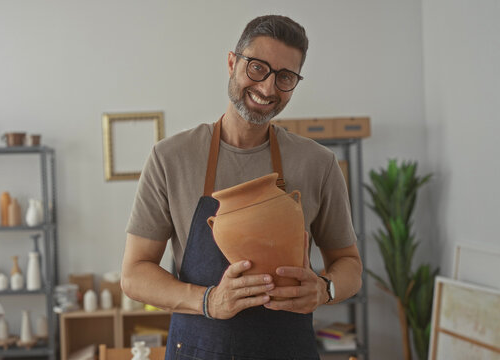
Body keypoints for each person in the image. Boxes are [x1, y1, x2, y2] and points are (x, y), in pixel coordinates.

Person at [121, 15, 363, 360]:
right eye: (257, 68)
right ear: (232, 62)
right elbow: (134, 275)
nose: (267, 88)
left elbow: (349, 264)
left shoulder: (318, 163)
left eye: (285, 77)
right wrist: (210, 301)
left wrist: (326, 289)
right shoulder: (170, 157)